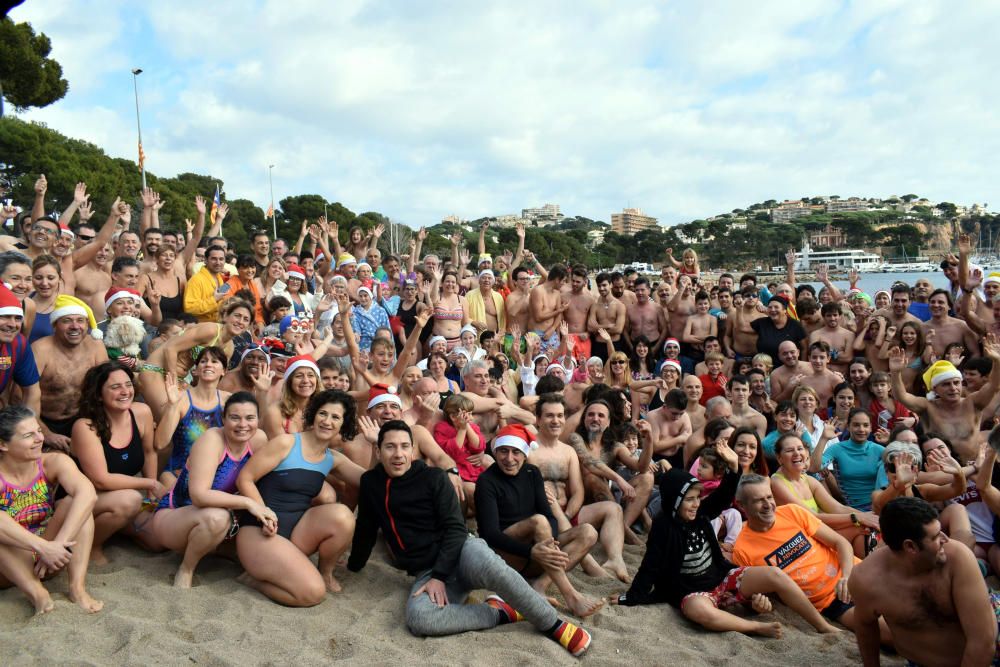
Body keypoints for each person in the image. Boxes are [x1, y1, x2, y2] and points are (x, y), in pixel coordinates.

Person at [348, 420, 593, 657]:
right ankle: (500, 613)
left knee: (494, 567)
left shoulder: (434, 478)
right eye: (390, 447)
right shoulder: (371, 483)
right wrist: (354, 565)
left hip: (462, 552)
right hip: (426, 571)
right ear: (378, 451)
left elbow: (455, 528)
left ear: (413, 450)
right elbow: (366, 527)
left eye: (404, 446)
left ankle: (554, 625)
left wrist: (439, 576)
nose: (398, 454)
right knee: (420, 619)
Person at [611, 445, 839, 638]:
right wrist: (629, 598)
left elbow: (722, 496)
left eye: (697, 498)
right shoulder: (663, 527)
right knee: (697, 611)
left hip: (723, 577)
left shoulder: (700, 514)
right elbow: (649, 567)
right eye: (689, 500)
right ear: (673, 501)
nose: (695, 504)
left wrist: (733, 467)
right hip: (693, 592)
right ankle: (755, 627)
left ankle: (821, 624)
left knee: (775, 575)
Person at [235, 390, 364, 606]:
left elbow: (371, 480)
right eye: (323, 414)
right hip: (260, 531)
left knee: (343, 516)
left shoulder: (332, 459)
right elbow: (245, 479)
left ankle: (325, 573)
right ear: (313, 415)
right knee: (312, 594)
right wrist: (263, 514)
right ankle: (254, 580)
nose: (327, 421)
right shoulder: (286, 443)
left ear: (344, 424)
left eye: (336, 417)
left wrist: (379, 447)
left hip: (296, 534)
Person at [733, 474, 890, 640]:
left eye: (769, 497)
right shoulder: (742, 550)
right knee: (889, 635)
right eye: (759, 500)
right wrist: (758, 605)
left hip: (854, 574)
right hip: (832, 603)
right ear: (742, 505)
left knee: (909, 608)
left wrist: (846, 575)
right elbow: (756, 598)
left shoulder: (791, 512)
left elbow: (840, 542)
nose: (768, 505)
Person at [474, 423, 604, 618]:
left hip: (537, 554)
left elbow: (550, 515)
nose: (509, 459)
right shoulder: (486, 481)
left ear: (525, 454)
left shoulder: (532, 473)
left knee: (588, 532)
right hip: (505, 556)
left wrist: (548, 544)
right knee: (538, 521)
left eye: (516, 452)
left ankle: (540, 585)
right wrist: (532, 551)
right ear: (495, 452)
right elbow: (490, 535)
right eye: (503, 451)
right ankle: (571, 596)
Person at [849, 497, 997, 667]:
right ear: (910, 547)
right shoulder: (867, 579)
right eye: (935, 536)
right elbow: (865, 626)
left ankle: (982, 568)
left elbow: (983, 642)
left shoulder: (957, 557)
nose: (945, 539)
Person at [150, 392, 268, 587]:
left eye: (250, 418)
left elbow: (255, 482)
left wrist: (263, 511)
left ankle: (221, 549)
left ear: (258, 419)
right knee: (217, 518)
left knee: (258, 514)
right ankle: (186, 568)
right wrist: (248, 503)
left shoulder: (258, 440)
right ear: (223, 419)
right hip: (175, 513)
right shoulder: (212, 440)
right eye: (234, 417)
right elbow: (199, 496)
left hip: (220, 512)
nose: (243, 425)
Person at [0, 405, 103, 614]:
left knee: (77, 506)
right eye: (29, 435)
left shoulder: (52, 462)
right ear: (3, 444)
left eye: (39, 431)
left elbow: (88, 493)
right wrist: (42, 547)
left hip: (49, 559)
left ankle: (77, 589)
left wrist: (56, 546)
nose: (39, 438)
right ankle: (38, 594)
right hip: (8, 567)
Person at [71, 361, 160, 565]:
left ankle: (118, 528)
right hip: (83, 499)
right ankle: (92, 545)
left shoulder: (142, 412)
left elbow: (149, 452)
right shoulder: (85, 426)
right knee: (129, 501)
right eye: (115, 387)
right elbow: (101, 481)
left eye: (128, 385)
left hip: (119, 497)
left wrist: (151, 494)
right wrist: (149, 484)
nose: (125, 391)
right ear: (99, 394)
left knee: (157, 542)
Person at [771, 433, 879, 557]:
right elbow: (812, 518)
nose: (797, 453)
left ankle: (858, 570)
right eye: (790, 450)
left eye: (800, 448)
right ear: (779, 458)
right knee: (860, 529)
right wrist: (857, 518)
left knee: (864, 528)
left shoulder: (807, 480)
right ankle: (859, 572)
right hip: (798, 542)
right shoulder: (776, 483)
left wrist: (869, 517)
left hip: (818, 532)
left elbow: (838, 508)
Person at [31, 295, 108, 452]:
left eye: (80, 320)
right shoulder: (40, 350)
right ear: (55, 325)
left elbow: (107, 386)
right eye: (67, 321)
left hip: (83, 418)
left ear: (87, 324)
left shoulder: (96, 346)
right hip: (44, 421)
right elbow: (20, 398)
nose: (75, 326)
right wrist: (46, 434)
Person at [155, 347, 230, 486]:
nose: (208, 364)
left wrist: (262, 393)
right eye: (203, 361)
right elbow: (160, 443)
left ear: (224, 371)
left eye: (215, 361)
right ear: (195, 370)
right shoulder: (181, 399)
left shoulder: (228, 401)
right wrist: (172, 405)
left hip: (215, 473)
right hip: (179, 473)